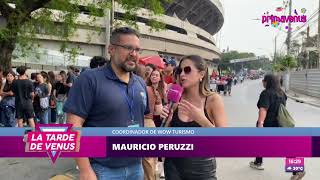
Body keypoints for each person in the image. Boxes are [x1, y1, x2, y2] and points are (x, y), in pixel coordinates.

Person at [64, 27, 149, 180]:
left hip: (136, 167)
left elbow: (146, 119)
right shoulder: (89, 79)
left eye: (137, 49)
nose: (134, 54)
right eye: (128, 48)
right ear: (111, 49)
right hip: (102, 169)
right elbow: (73, 126)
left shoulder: (140, 83)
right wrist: (84, 169)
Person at [160, 55, 227, 180]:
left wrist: (201, 119)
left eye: (187, 70)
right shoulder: (175, 98)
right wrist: (167, 122)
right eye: (180, 70)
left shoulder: (213, 100)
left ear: (201, 74)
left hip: (202, 169)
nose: (182, 75)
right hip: (173, 168)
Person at [249, 74, 306, 180]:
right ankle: (297, 169)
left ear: (267, 82)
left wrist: (261, 123)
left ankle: (258, 162)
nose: (262, 82)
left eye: (264, 80)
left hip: (268, 124)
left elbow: (263, 109)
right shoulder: (282, 93)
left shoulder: (266, 93)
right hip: (280, 124)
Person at [143, 68, 165, 180]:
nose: (154, 77)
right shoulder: (152, 90)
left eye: (156, 75)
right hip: (150, 122)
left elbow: (159, 112)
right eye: (152, 75)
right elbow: (158, 111)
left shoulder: (160, 90)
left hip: (151, 122)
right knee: (149, 158)